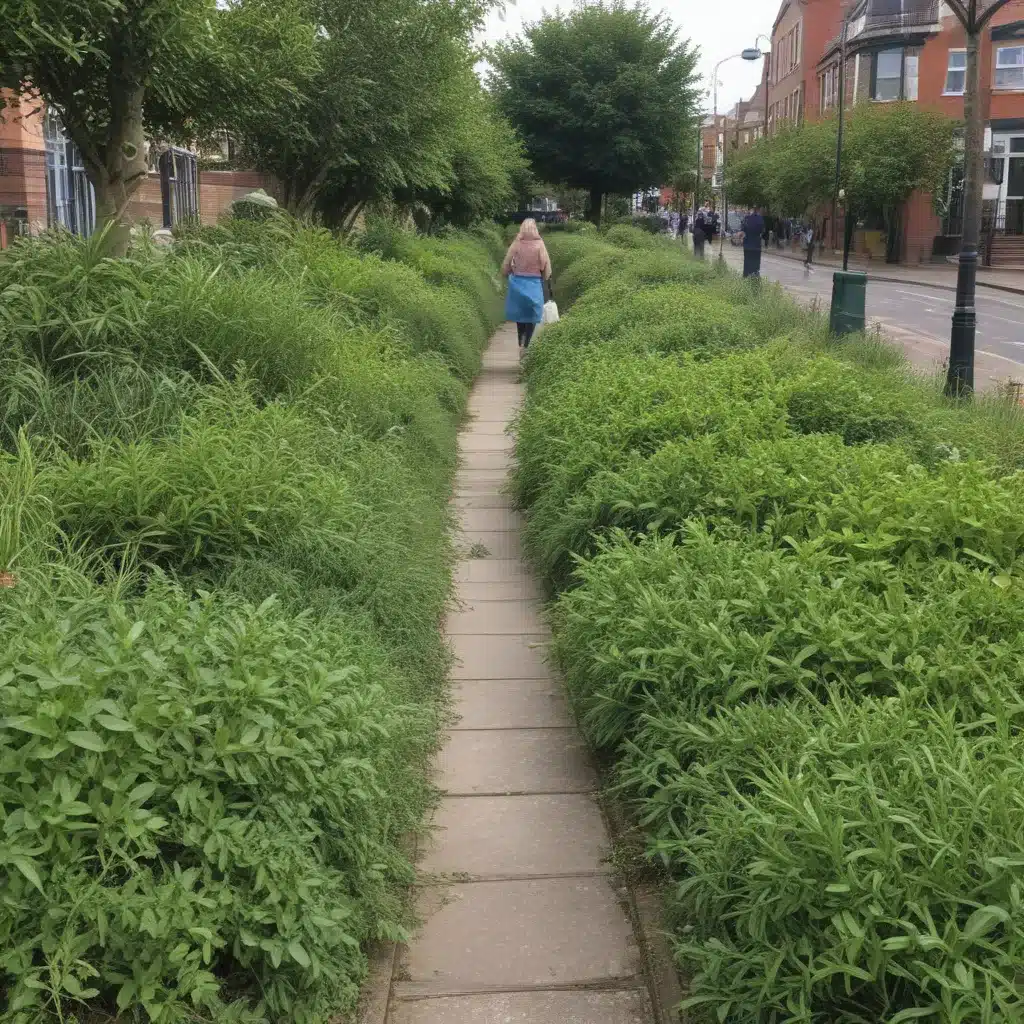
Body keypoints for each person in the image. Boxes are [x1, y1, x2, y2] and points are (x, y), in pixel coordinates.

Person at [501, 218, 552, 358]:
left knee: (520, 314)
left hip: (517, 282)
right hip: (534, 282)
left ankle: (520, 340)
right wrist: (545, 276)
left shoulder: (517, 243)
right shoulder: (539, 244)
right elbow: (545, 264)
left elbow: (507, 261)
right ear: (535, 229)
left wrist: (505, 273)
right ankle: (527, 344)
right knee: (534, 314)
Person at [739, 206, 765, 279]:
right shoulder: (760, 219)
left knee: (747, 261)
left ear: (751, 210)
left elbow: (742, 231)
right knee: (756, 262)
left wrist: (740, 239)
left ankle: (746, 276)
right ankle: (755, 276)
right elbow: (762, 231)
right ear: (757, 210)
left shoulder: (746, 218)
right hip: (756, 244)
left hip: (747, 244)